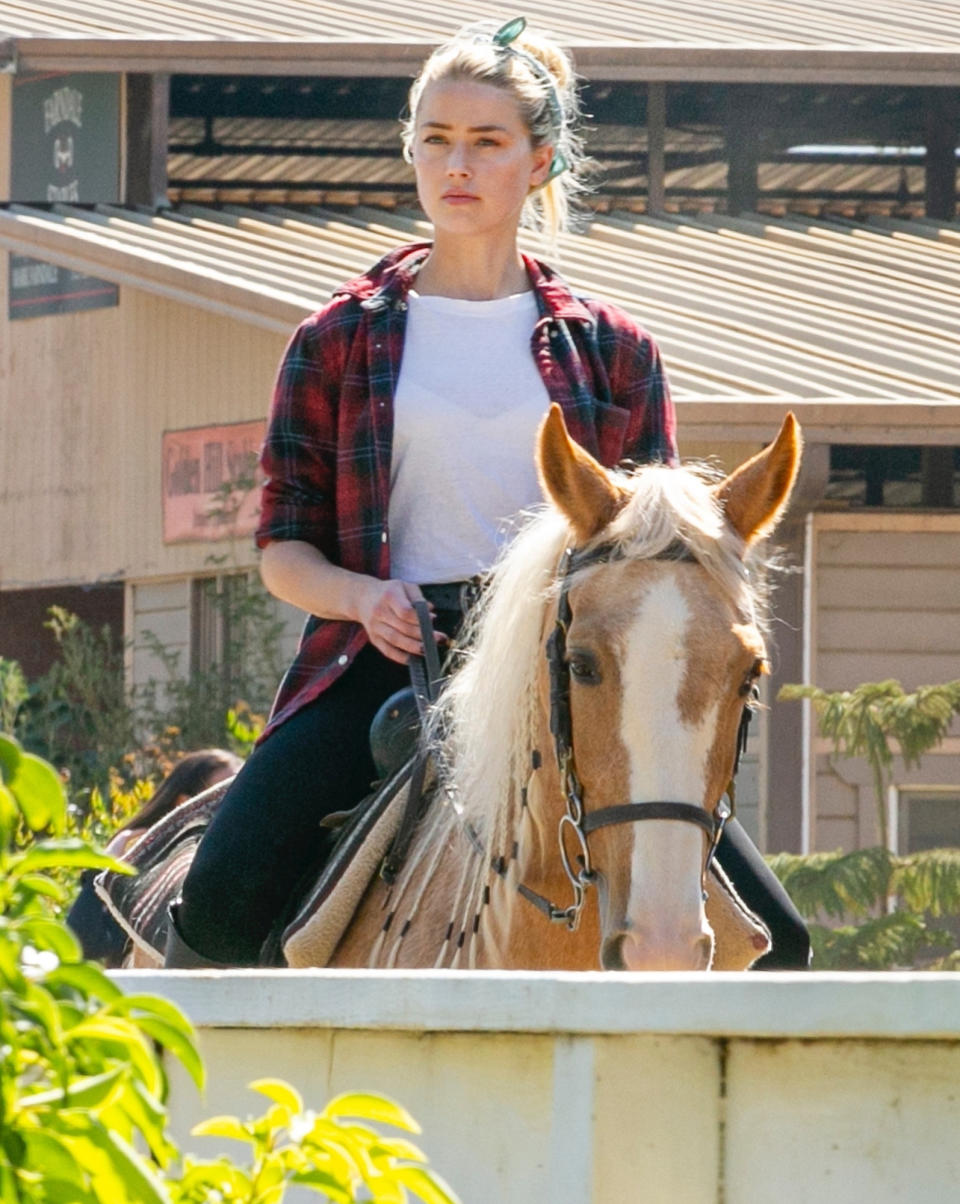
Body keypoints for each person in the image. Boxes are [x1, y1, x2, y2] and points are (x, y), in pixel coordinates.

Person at [166, 17, 810, 971]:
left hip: (578, 672)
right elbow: (282, 548)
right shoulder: (336, 338)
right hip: (391, 660)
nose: (455, 165)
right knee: (219, 904)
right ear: (412, 152)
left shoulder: (617, 350)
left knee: (780, 946)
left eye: (486, 141)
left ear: (539, 161)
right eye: (435, 140)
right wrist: (361, 598)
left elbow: (665, 551)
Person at [66, 748, 241, 965]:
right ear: (184, 804)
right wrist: (101, 869)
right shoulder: (151, 862)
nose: (236, 808)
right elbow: (81, 943)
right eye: (218, 797)